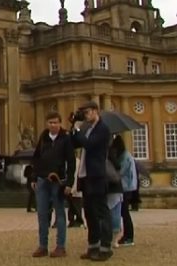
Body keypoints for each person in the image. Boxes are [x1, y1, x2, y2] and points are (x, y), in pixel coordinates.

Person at [71, 101, 113, 261]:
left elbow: (89, 144)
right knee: (90, 213)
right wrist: (73, 127)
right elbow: (75, 143)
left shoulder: (103, 129)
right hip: (86, 176)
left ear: (96, 111)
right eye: (84, 113)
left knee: (101, 212)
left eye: (87, 112)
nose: (86, 115)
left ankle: (106, 248)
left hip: (97, 176)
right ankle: (93, 246)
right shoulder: (88, 129)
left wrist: (77, 129)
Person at [30, 112, 75, 258]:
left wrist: (69, 182)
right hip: (42, 179)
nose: (53, 125)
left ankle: (60, 246)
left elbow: (71, 162)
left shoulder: (66, 138)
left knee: (60, 214)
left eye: (55, 122)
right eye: (50, 122)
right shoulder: (43, 137)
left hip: (58, 180)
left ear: (60, 123)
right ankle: (43, 246)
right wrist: (33, 177)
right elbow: (36, 158)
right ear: (46, 123)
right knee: (42, 214)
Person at [114, 136, 137, 247]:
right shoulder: (124, 155)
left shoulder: (124, 156)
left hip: (126, 187)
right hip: (126, 187)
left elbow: (120, 172)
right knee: (123, 212)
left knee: (124, 212)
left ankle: (129, 237)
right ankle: (127, 236)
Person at [67, 155, 85, 228]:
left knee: (75, 206)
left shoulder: (76, 162)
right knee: (73, 206)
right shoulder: (78, 162)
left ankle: (77, 220)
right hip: (74, 188)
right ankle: (74, 221)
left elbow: (75, 176)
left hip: (75, 188)